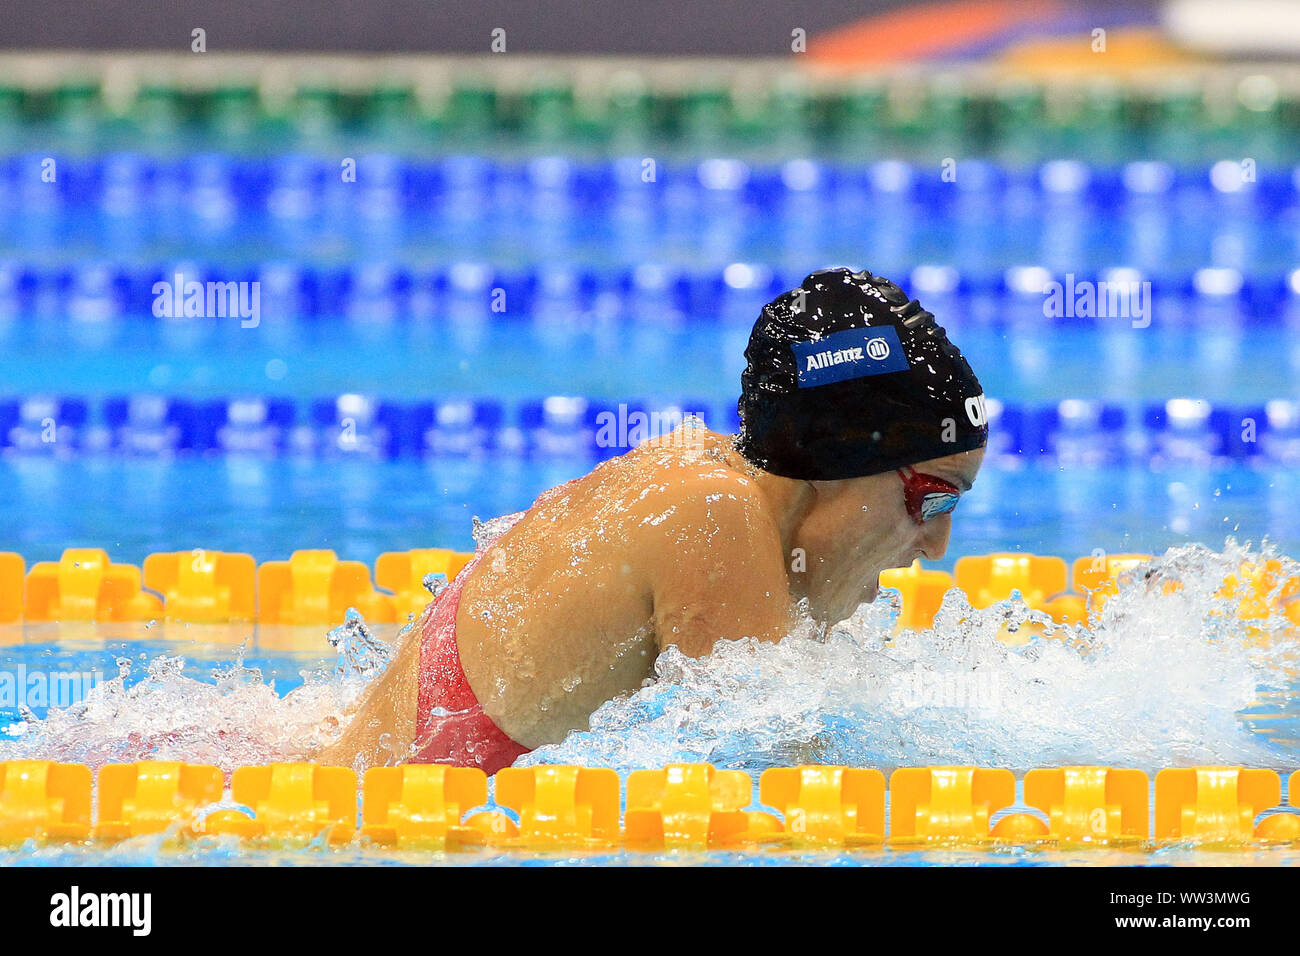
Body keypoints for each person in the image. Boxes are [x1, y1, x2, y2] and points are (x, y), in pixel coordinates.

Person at [317, 267, 988, 772]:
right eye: (934, 496)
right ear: (837, 459)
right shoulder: (713, 516)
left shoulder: (692, 464)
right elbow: (792, 788)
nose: (936, 544)